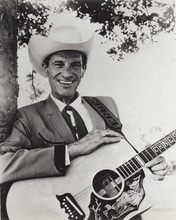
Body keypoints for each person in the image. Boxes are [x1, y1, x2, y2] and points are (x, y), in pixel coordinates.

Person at [0, 25, 167, 219]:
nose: (67, 73)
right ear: (45, 69)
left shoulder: (106, 105)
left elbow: (115, 161)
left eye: (75, 65)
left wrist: (148, 165)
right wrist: (72, 150)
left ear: (84, 69)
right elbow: (3, 166)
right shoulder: (28, 116)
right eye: (59, 64)